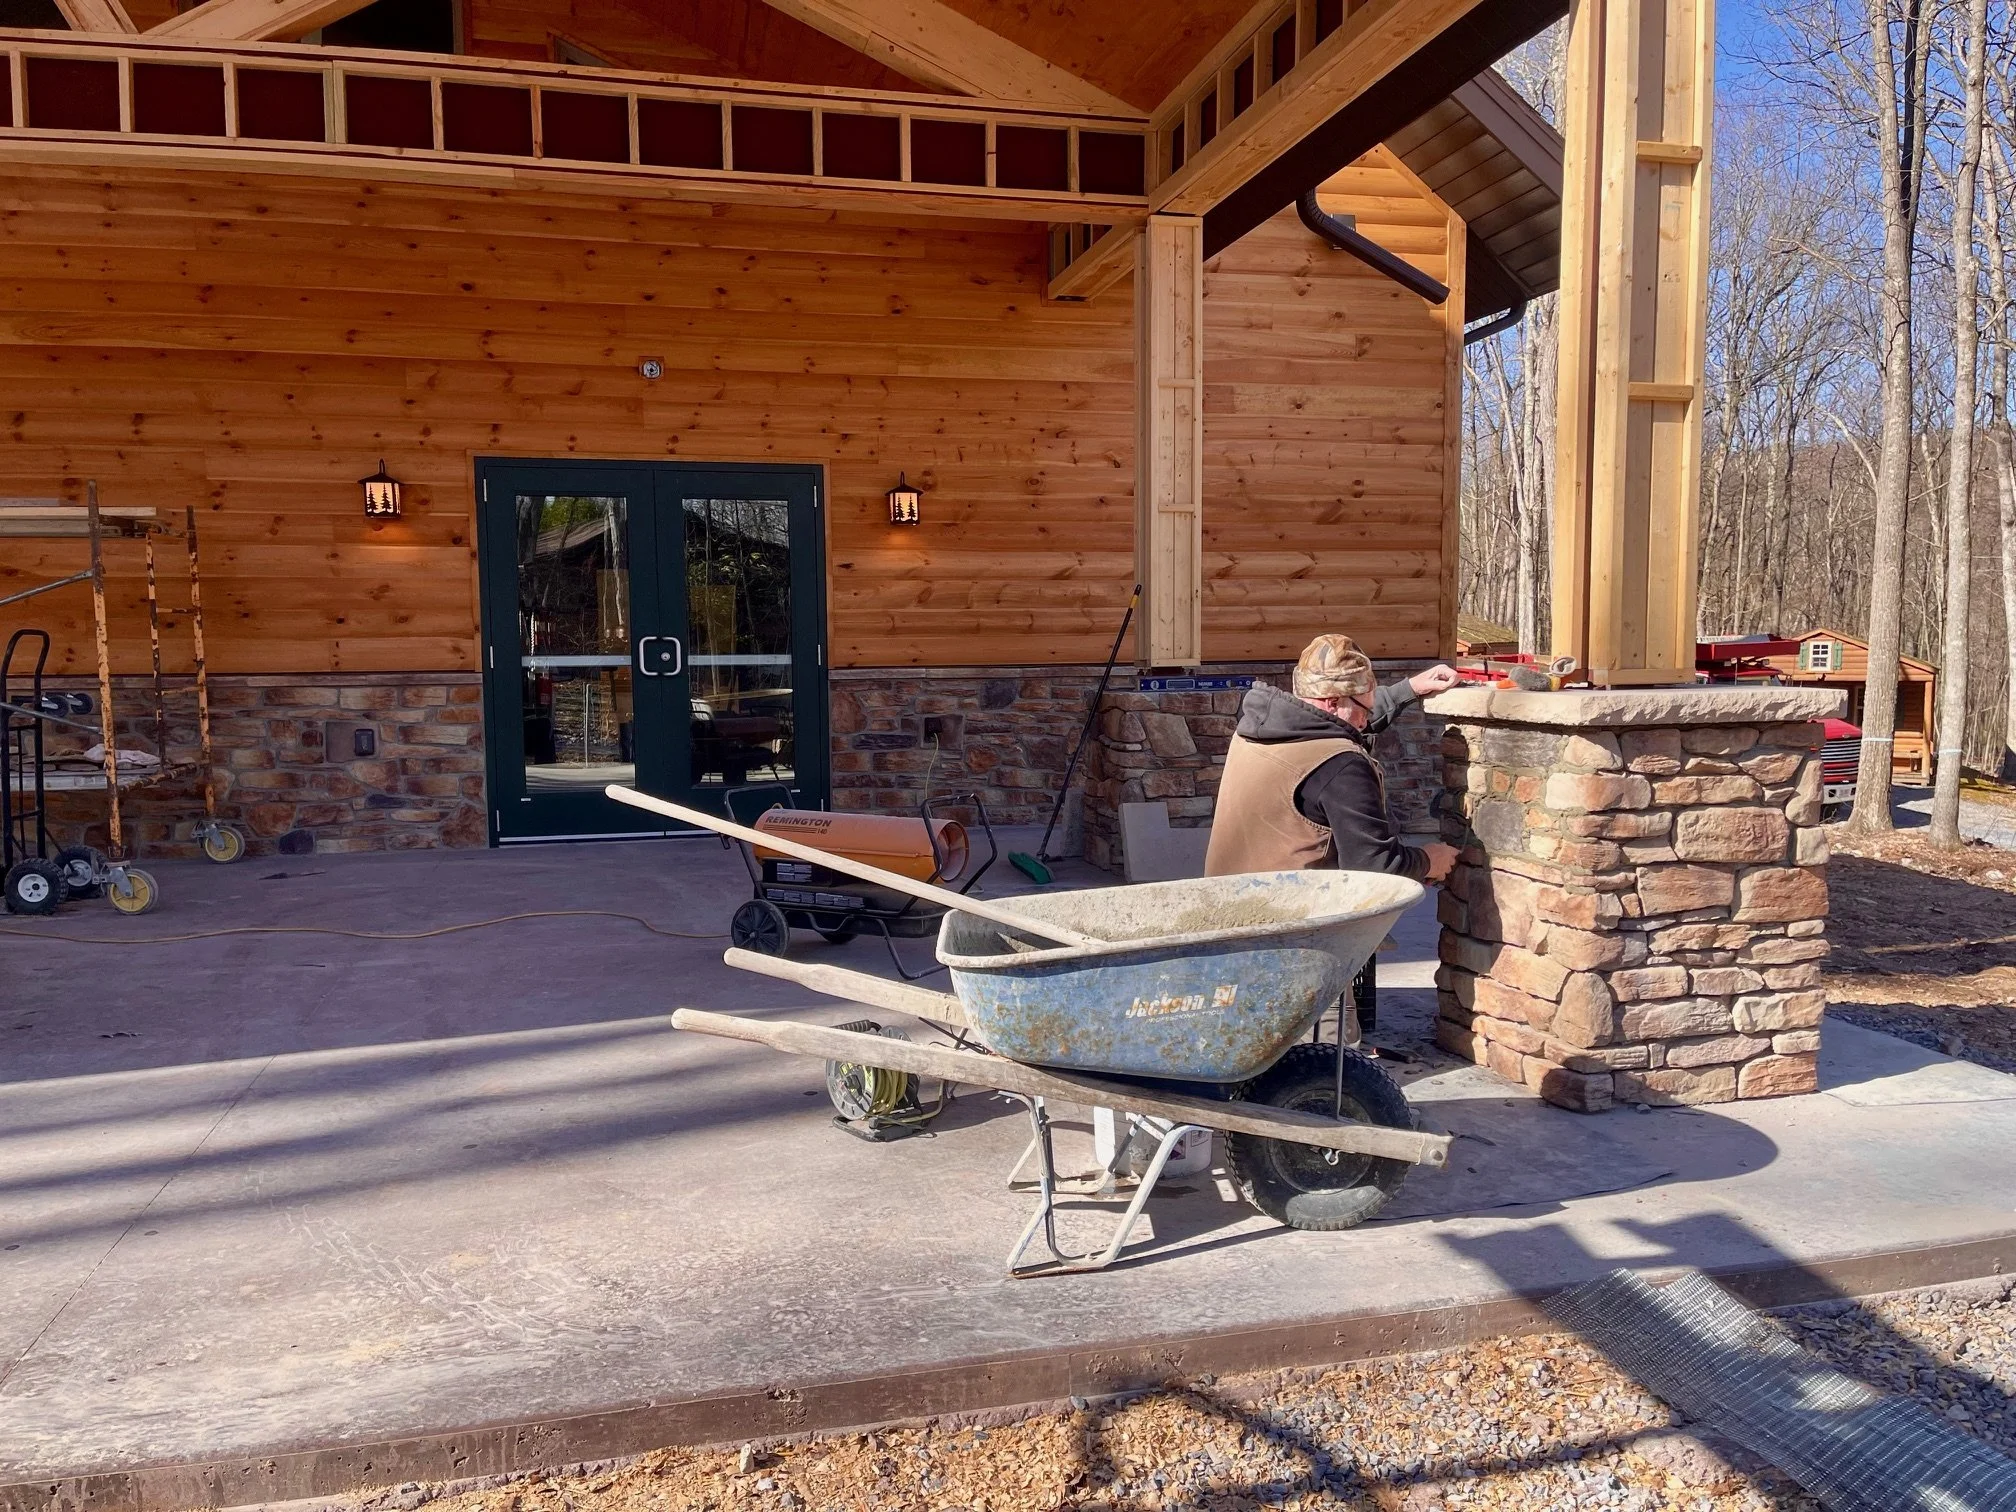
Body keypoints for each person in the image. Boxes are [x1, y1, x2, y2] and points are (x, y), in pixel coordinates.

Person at [1205, 633, 1461, 884]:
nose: (1366, 720)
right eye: (1364, 709)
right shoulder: (1341, 765)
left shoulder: (1256, 730)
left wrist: (1409, 689)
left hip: (1230, 903)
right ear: (1332, 701)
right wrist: (1429, 860)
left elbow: (1340, 722)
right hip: (1296, 919)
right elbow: (1376, 869)